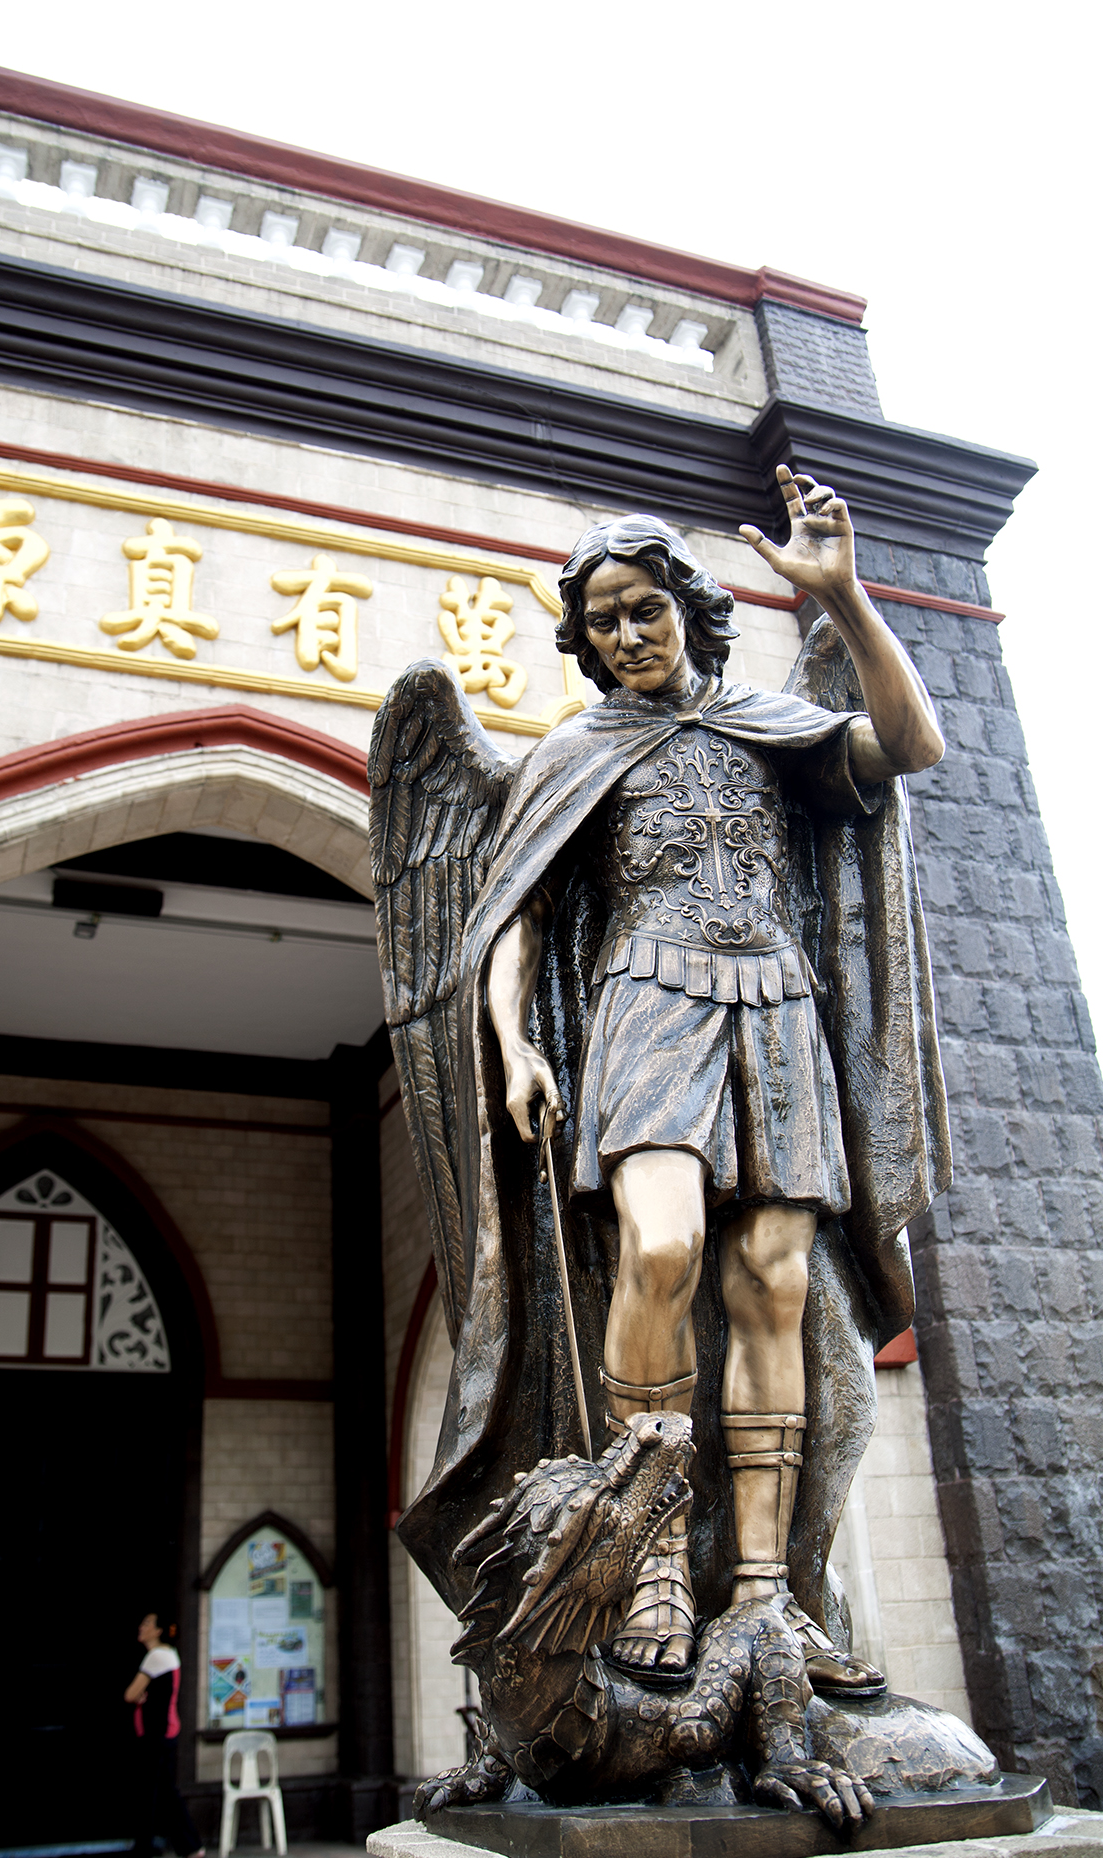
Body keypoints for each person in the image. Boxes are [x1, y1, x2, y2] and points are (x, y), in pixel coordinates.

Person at [383, 466, 951, 1694]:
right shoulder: (575, 751)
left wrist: (842, 598)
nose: (625, 636)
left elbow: (909, 745)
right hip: (645, 1005)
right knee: (658, 1249)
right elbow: (513, 915)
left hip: (777, 1007)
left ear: (688, 609)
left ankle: (763, 1587)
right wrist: (513, 1041)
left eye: (644, 609)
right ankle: (646, 1557)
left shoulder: (765, 725)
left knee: (773, 1281)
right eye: (601, 622)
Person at [105, 1612, 205, 1858]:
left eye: (147, 1623)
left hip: (156, 1737)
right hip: (163, 1734)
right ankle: (192, 1850)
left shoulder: (156, 1656)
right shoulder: (168, 1655)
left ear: (159, 1630)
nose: (141, 1627)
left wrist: (139, 1696)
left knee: (147, 1798)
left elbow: (130, 1694)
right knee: (166, 1794)